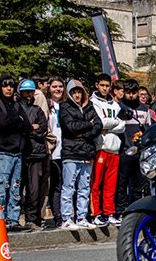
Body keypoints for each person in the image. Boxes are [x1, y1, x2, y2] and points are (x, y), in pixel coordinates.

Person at [59, 79, 102, 230]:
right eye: (74, 92)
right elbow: (70, 127)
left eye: (79, 92)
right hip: (71, 152)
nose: (77, 95)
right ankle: (66, 217)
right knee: (69, 186)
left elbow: (99, 124)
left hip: (87, 152)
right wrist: (88, 124)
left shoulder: (89, 106)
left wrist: (84, 133)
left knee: (84, 187)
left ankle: (82, 217)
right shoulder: (65, 107)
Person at [0, 76, 29, 231]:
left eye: (11, 86)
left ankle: (13, 219)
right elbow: (2, 124)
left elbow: (26, 125)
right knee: (1, 187)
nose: (8, 89)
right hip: (2, 152)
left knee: (15, 188)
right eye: (5, 86)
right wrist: (16, 121)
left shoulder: (17, 105)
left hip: (17, 152)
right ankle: (0, 219)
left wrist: (16, 121)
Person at [90, 74, 125, 227]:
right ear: (97, 85)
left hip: (114, 149)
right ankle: (96, 213)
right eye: (102, 85)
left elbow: (122, 124)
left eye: (107, 85)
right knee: (96, 183)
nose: (105, 88)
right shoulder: (93, 102)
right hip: (101, 148)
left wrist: (110, 125)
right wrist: (113, 124)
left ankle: (109, 212)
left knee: (111, 185)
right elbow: (100, 122)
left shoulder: (115, 104)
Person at [17, 79, 49, 231]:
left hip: (36, 153)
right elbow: (17, 128)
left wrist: (29, 130)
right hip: (20, 152)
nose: (29, 95)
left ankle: (32, 218)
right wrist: (30, 128)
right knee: (17, 187)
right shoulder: (16, 108)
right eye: (26, 92)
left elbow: (42, 129)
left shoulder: (37, 110)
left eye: (31, 91)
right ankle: (15, 217)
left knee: (34, 189)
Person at [116, 81, 151, 220]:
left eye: (133, 92)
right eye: (128, 92)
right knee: (122, 184)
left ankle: (136, 211)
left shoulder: (144, 109)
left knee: (138, 184)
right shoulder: (119, 107)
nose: (131, 95)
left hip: (140, 152)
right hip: (124, 150)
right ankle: (120, 210)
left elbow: (148, 128)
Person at [47, 76, 66, 227]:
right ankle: (57, 216)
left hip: (67, 150)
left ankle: (66, 214)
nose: (58, 89)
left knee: (66, 184)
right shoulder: (47, 105)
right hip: (52, 151)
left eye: (60, 86)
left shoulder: (66, 105)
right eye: (55, 86)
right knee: (56, 184)